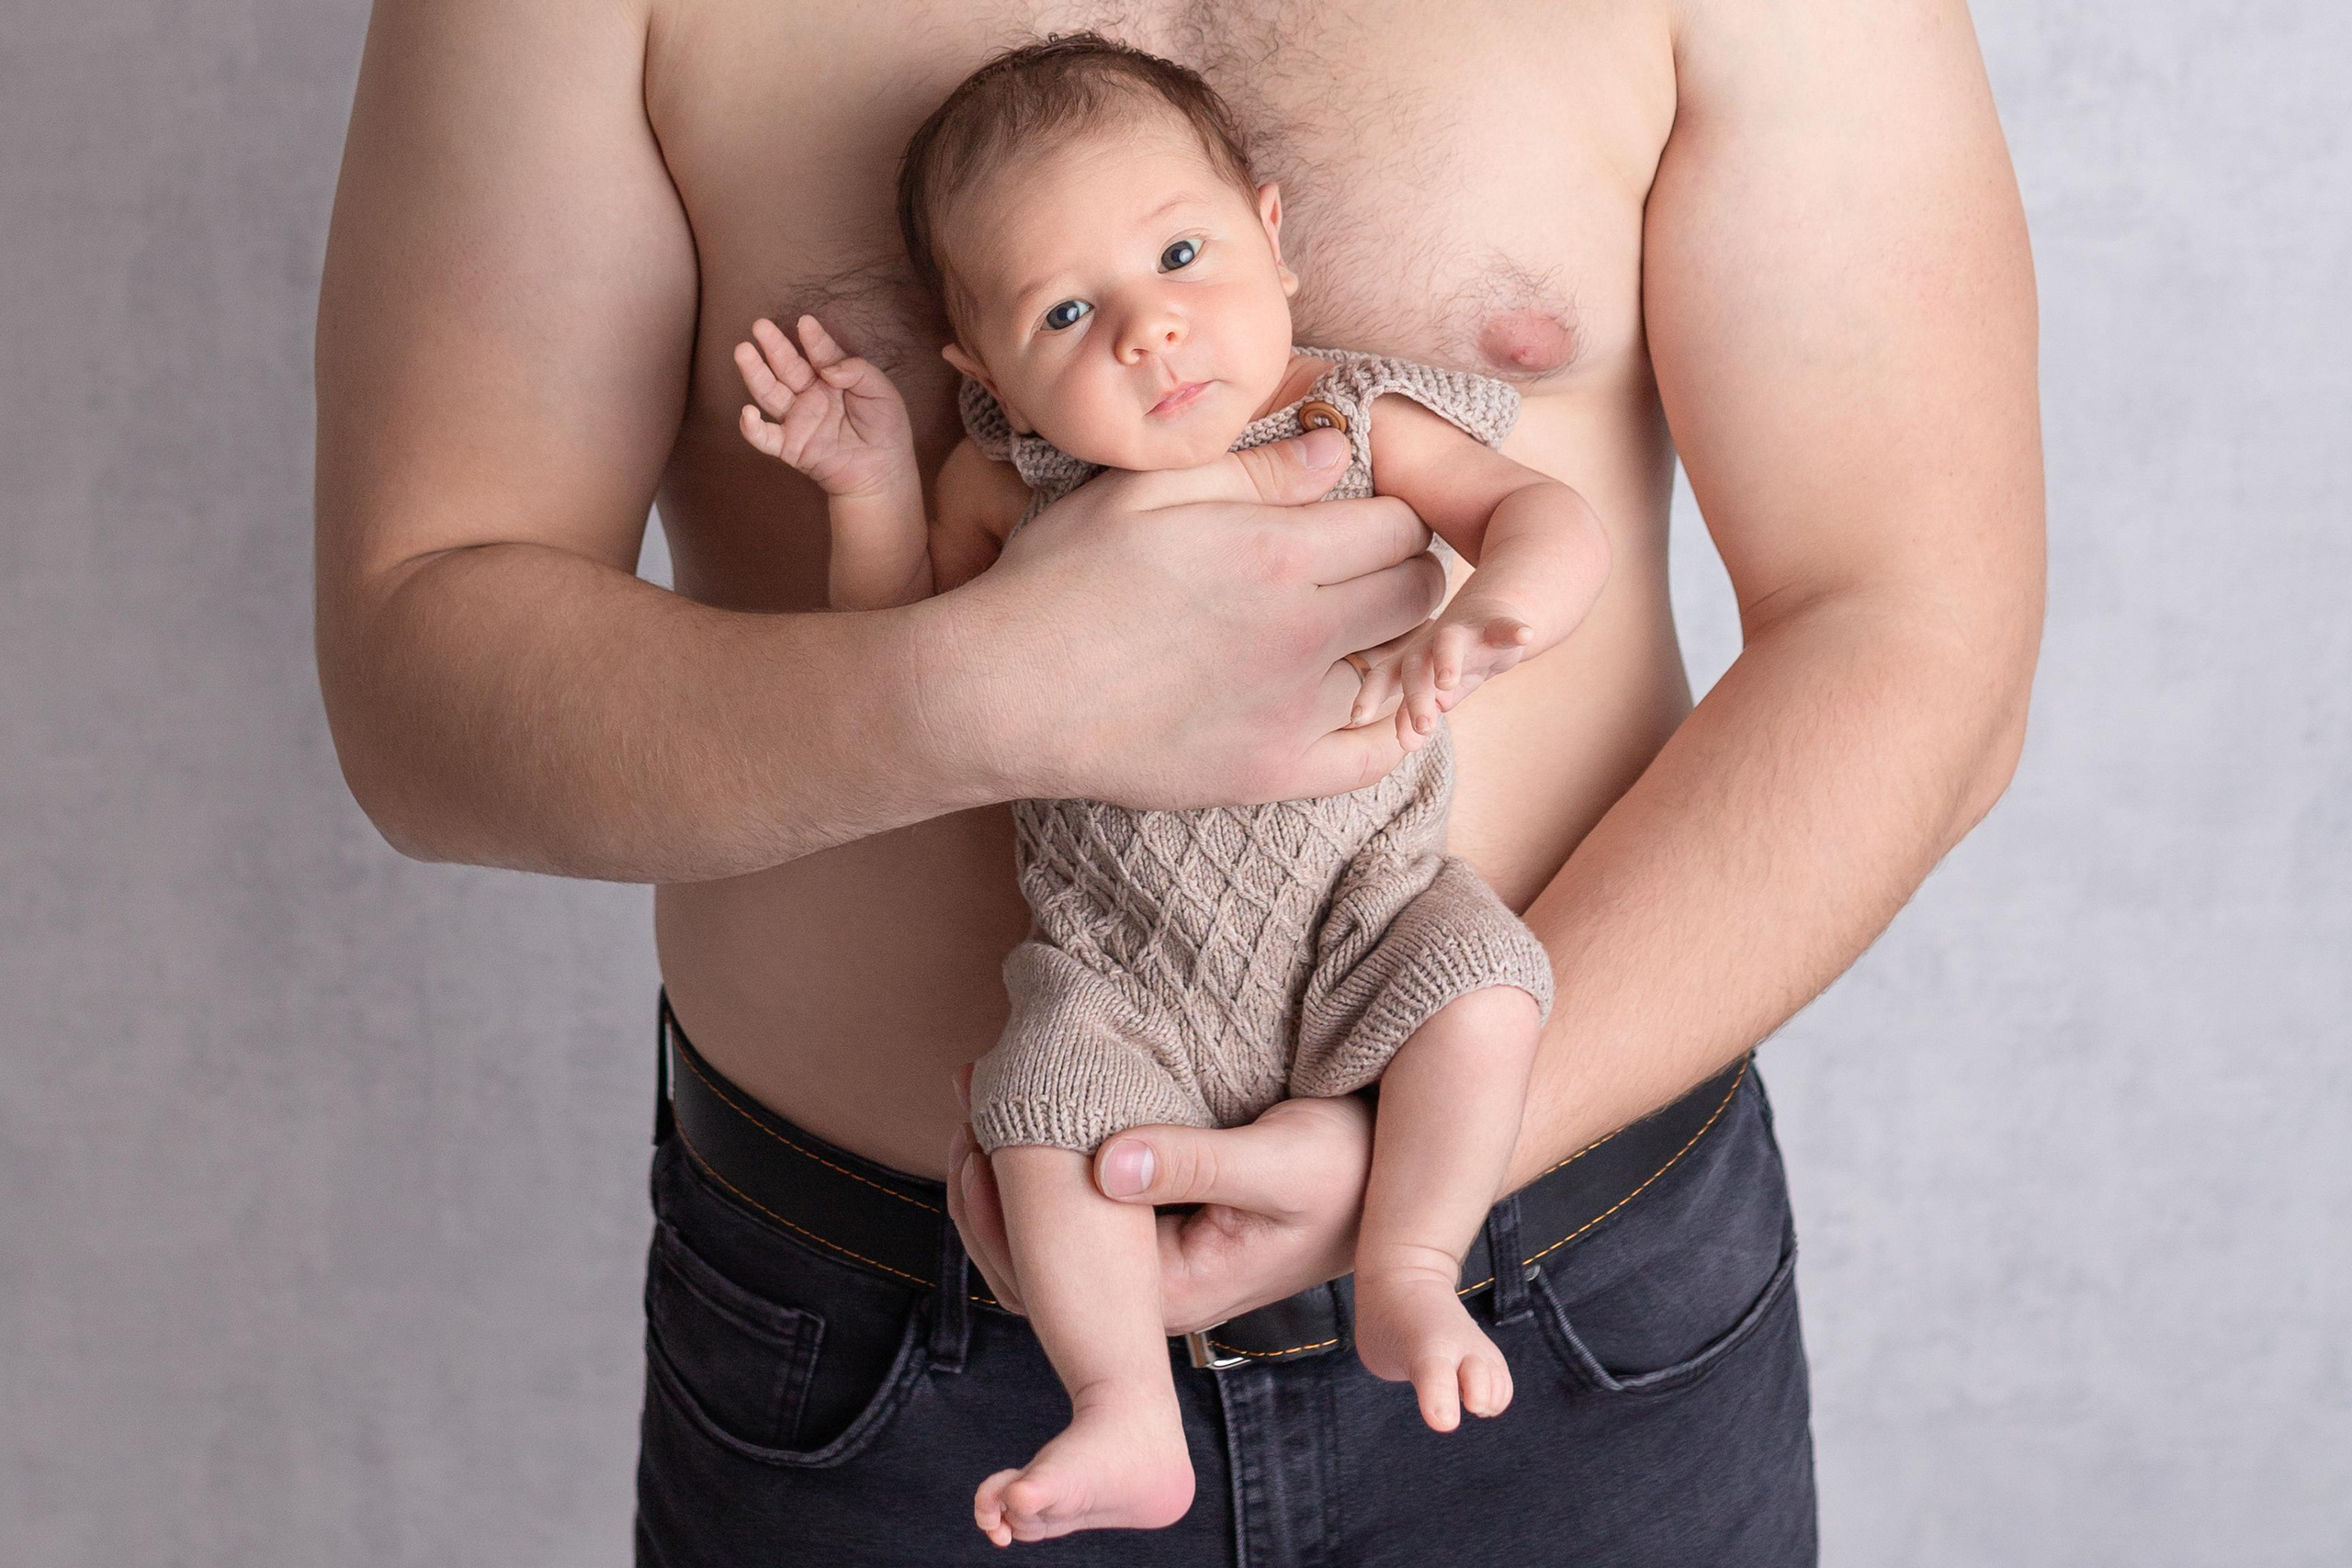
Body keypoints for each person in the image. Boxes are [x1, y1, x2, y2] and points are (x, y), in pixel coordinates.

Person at [314, 2, 2041, 1562]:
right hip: (890, 1338)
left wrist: (1427, 1156)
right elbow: (418, 682)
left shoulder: (1372, 406)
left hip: (1572, 1276)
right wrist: (985, 690)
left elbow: (1915, 634)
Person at [735, 38, 1614, 1542]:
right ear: (982, 373)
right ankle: (1123, 1408)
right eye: (1068, 312)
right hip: (1120, 972)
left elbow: (1543, 514)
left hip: (1370, 913)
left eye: (1183, 254)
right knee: (1036, 1105)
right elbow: (898, 673)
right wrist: (872, 488)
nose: (1151, 331)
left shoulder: (1346, 417)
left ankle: (1410, 1268)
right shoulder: (1001, 485)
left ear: (1274, 237)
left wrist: (1494, 611)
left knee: (1485, 984)